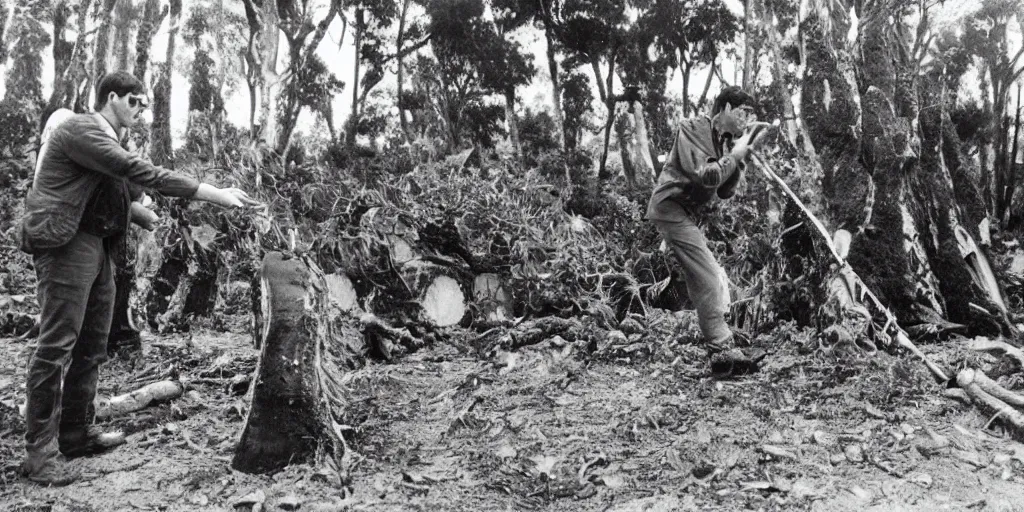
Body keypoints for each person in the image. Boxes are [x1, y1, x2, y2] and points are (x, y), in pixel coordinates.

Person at [18, 70, 261, 486]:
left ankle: (75, 432)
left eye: (145, 104)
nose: (141, 111)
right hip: (66, 244)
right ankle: (39, 453)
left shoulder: (110, 141)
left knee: (94, 342)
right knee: (56, 344)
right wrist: (212, 192)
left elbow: (126, 188)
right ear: (112, 97)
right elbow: (141, 171)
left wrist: (143, 212)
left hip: (98, 246)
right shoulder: (82, 130)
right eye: (136, 102)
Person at [646, 86, 770, 377]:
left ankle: (721, 344)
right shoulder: (693, 128)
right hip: (669, 206)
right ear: (725, 108)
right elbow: (706, 175)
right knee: (708, 274)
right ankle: (722, 348)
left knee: (700, 276)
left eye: (750, 115)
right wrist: (735, 156)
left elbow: (724, 190)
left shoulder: (724, 143)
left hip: (683, 212)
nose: (745, 120)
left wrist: (740, 157)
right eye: (743, 112)